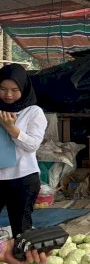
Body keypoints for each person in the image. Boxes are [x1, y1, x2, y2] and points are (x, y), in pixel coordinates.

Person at [0, 64, 47, 238]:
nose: (8, 94)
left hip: (23, 179)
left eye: (14, 89)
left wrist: (11, 128)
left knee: (21, 231)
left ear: (24, 88)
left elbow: (33, 145)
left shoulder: (33, 112)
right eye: (3, 89)